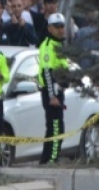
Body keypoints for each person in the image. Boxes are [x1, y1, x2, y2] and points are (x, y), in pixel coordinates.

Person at [38, 13, 70, 164]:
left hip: (58, 92)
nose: (60, 29)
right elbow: (47, 73)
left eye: (62, 26)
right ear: (49, 28)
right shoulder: (47, 46)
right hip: (52, 94)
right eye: (57, 27)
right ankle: (50, 160)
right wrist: (52, 96)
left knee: (56, 128)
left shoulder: (60, 44)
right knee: (56, 129)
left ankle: (49, 159)